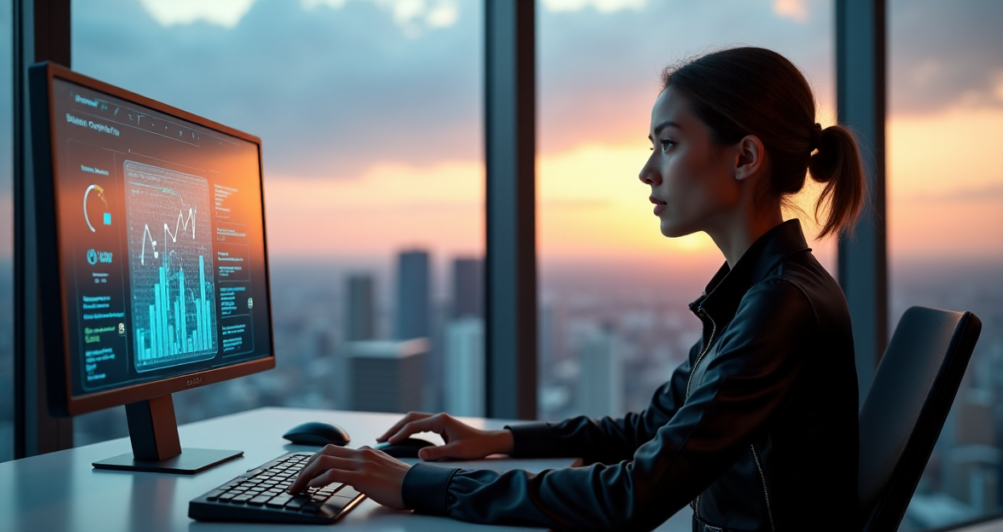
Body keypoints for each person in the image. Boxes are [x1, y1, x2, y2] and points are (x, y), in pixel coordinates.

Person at [289, 46, 864, 531]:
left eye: (668, 144)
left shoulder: (778, 306)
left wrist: (419, 482)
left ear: (744, 157)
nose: (647, 171)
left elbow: (632, 497)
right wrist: (500, 440)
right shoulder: (761, 293)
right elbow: (650, 429)